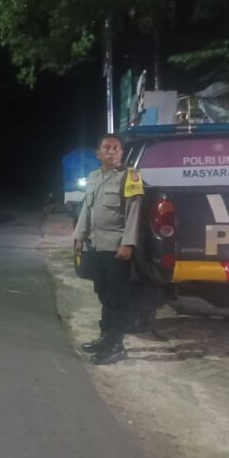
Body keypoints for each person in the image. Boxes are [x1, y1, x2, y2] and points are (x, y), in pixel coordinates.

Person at [73, 133, 144, 365]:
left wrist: (128, 243)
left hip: (116, 247)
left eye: (116, 148)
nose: (111, 151)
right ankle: (105, 337)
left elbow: (134, 211)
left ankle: (116, 345)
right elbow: (87, 209)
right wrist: (79, 237)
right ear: (98, 153)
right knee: (103, 293)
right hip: (96, 245)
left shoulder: (130, 176)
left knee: (117, 297)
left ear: (121, 153)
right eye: (107, 147)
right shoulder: (93, 176)